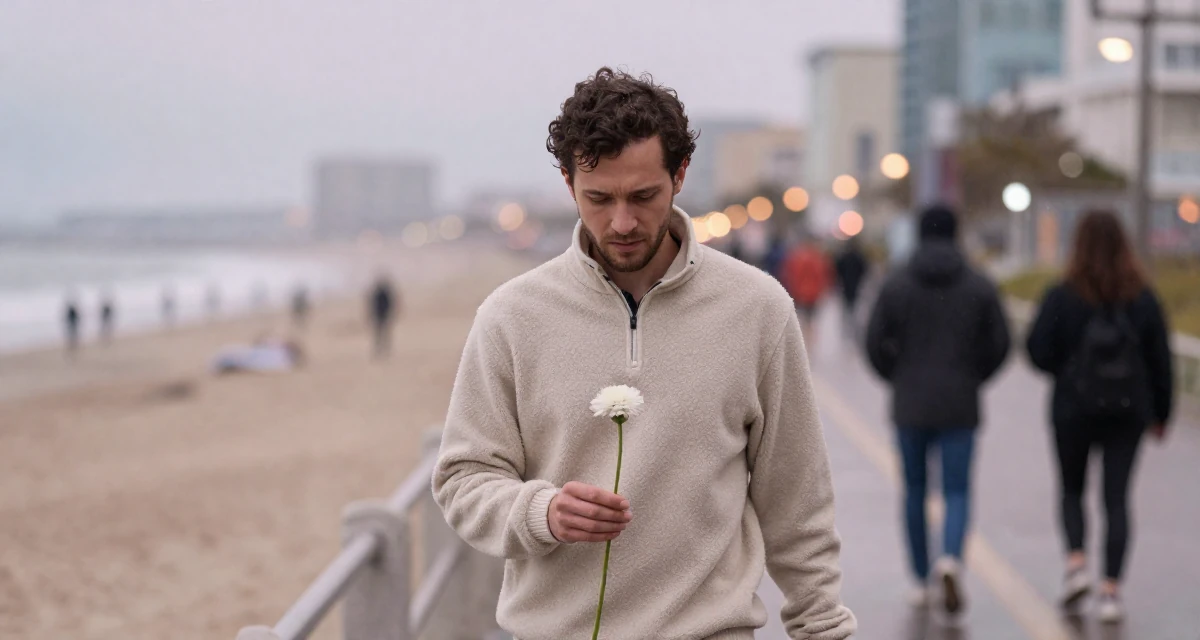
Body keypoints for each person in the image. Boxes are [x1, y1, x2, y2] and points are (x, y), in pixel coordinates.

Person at [433, 67, 856, 640]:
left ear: (679, 175)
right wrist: (542, 513)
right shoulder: (511, 316)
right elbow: (463, 476)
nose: (623, 222)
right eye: (599, 199)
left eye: (643, 196)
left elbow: (796, 497)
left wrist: (822, 626)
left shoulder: (757, 308)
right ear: (567, 182)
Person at [1025, 209, 1173, 623]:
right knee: (1117, 498)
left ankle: (1075, 565)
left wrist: (1067, 369)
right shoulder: (1142, 296)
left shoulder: (1062, 294)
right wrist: (1161, 414)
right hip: (1128, 412)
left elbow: (1037, 350)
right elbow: (1160, 361)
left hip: (1072, 408)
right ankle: (1111, 591)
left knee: (1072, 489)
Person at [865, 204, 1010, 620]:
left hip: (909, 402)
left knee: (913, 490)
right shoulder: (979, 285)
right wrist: (974, 375)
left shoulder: (896, 284)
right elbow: (1000, 342)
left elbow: (873, 341)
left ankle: (918, 578)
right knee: (957, 489)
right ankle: (950, 559)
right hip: (960, 402)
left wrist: (896, 375)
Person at [781, 235, 833, 340]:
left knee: (802, 318)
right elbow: (823, 276)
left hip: (800, 292)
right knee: (810, 318)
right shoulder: (818, 258)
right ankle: (810, 338)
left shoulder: (796, 258)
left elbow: (791, 275)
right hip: (813, 293)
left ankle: (804, 339)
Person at [834, 238, 869, 342]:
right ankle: (852, 327)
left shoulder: (843, 257)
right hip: (855, 286)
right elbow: (864, 270)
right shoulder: (859, 257)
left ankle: (846, 328)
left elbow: (837, 270)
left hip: (845, 286)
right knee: (854, 307)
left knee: (846, 308)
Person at [369, 276, 397, 359]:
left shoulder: (383, 293)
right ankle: (380, 349)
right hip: (380, 316)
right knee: (380, 335)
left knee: (383, 334)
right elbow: (373, 306)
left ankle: (384, 349)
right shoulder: (379, 294)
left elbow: (390, 305)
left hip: (382, 316)